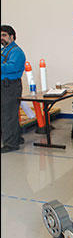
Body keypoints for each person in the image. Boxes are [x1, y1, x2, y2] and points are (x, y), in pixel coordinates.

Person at [1, 25, 26, 153]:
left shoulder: (16, 51)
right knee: (9, 113)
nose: (2, 38)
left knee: (8, 115)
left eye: (4, 35)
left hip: (10, 86)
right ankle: (16, 138)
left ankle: (11, 144)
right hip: (4, 85)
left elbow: (11, 67)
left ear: (12, 36)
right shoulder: (4, 50)